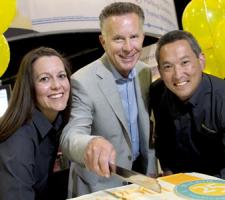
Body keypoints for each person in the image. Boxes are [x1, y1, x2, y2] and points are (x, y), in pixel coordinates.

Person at [60, 2, 157, 197]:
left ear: (142, 37)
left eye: (134, 37)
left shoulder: (144, 72)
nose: (128, 48)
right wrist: (90, 143)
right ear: (103, 41)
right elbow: (71, 136)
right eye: (118, 39)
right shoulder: (82, 81)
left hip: (142, 181)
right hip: (100, 186)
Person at [150, 30, 225, 179]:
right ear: (160, 71)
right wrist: (169, 176)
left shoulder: (221, 98)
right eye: (168, 67)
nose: (178, 74)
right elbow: (162, 143)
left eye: (185, 62)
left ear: (201, 61)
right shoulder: (157, 92)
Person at [0, 47, 71, 199]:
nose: (57, 85)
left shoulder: (58, 122)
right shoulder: (18, 139)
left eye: (61, 76)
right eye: (44, 79)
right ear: (29, 87)